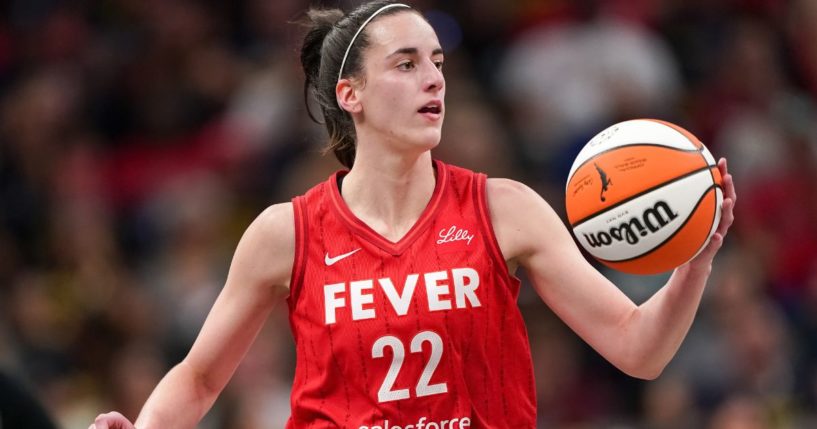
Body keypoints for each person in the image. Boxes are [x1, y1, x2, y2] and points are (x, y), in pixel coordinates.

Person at [90, 1, 737, 428]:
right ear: (351, 94)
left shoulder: (503, 207)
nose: (434, 78)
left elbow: (638, 348)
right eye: (406, 63)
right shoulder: (284, 232)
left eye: (437, 61)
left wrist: (694, 260)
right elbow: (200, 378)